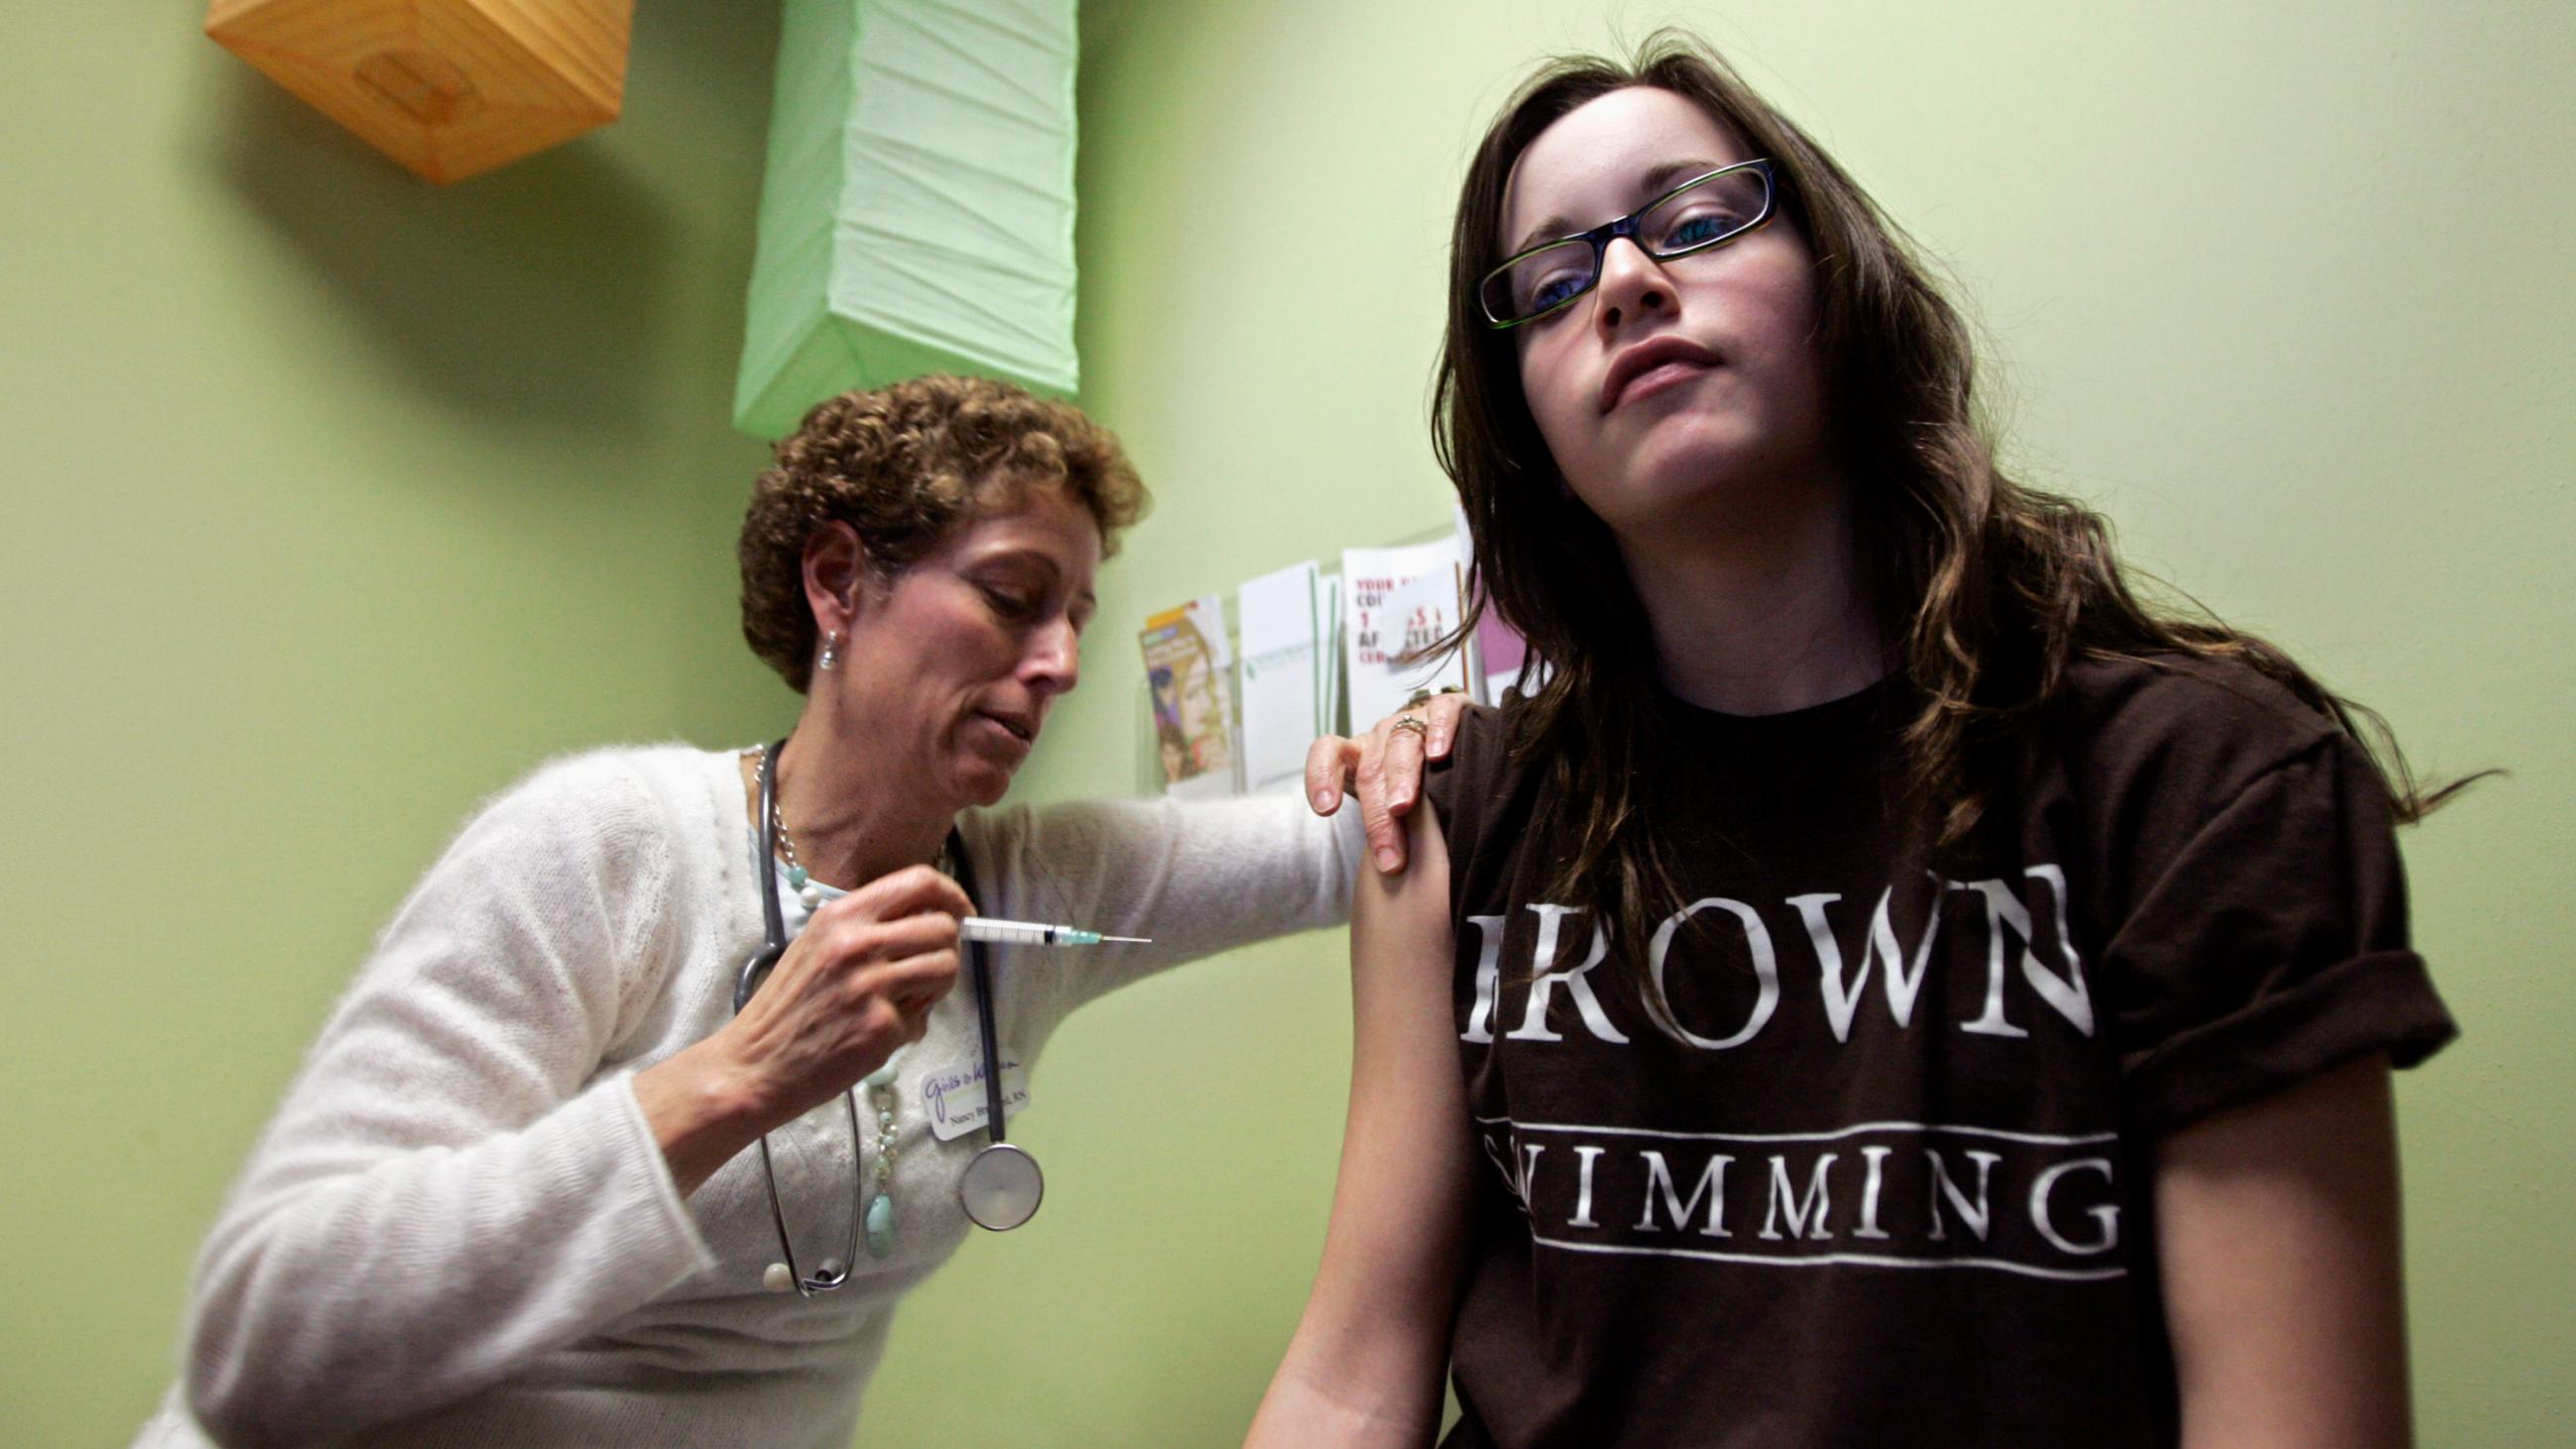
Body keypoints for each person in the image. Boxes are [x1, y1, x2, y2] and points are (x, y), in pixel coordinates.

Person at [1251, 34, 2464, 1449]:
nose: (1630, 284)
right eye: (1556, 280)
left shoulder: (2203, 784)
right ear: (1524, 422)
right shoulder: (1452, 812)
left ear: (1838, 282)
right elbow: (1351, 1377)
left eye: (1698, 222)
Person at [137, 373, 1467, 1447]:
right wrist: (733, 1079)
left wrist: (1426, 734)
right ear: (840, 585)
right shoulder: (609, 848)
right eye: (1013, 598)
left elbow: (1359, 838)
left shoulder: (1038, 889)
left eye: (1074, 617)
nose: (1061, 662)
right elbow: (262, 1344)